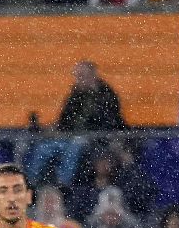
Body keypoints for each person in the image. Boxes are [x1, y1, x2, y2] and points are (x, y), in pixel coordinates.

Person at [25, 61, 126, 190]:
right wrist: (54, 130)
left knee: (75, 146)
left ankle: (63, 185)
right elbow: (64, 120)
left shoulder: (107, 96)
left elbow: (110, 123)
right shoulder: (75, 95)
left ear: (93, 75)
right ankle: (29, 184)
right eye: (77, 76)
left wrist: (92, 134)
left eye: (81, 76)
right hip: (69, 136)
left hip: (94, 139)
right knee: (43, 149)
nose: (78, 79)